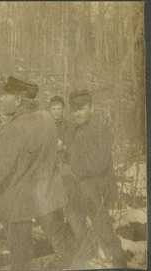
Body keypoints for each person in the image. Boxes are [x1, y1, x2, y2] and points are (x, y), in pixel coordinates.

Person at [0, 76, 77, 269]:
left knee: (20, 258)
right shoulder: (47, 118)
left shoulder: (14, 128)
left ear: (18, 100)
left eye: (5, 95)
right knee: (64, 242)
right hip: (48, 195)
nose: (0, 99)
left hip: (20, 205)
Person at [64, 89, 127, 268]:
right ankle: (87, 252)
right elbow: (72, 155)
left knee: (102, 223)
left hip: (97, 185)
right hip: (78, 184)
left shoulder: (100, 130)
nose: (77, 113)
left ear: (91, 108)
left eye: (81, 109)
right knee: (74, 219)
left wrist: (72, 169)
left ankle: (118, 259)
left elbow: (99, 164)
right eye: (74, 110)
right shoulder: (72, 130)